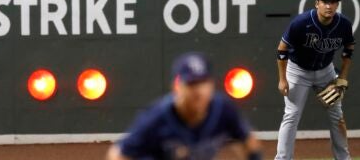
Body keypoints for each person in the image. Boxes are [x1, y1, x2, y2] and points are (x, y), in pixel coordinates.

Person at [107, 52, 262, 160]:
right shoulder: (156, 118)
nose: (198, 91)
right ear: (177, 87)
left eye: (203, 82)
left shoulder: (223, 109)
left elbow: (247, 140)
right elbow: (117, 154)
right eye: (191, 83)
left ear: (212, 84)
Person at [275, 0, 355, 160]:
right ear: (317, 4)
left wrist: (342, 77)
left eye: (333, 2)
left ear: (337, 5)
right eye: (325, 1)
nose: (329, 6)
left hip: (325, 72)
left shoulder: (343, 24)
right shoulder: (301, 23)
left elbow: (349, 48)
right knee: (291, 115)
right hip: (298, 72)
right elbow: (282, 50)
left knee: (337, 116)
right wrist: (282, 79)